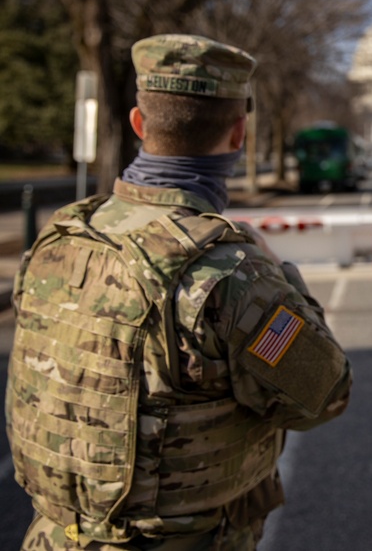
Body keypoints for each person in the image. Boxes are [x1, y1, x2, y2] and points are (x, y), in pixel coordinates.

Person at [6, 34, 352, 550]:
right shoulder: (231, 273)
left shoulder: (62, 236)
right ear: (239, 135)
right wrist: (283, 276)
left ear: (139, 124)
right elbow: (324, 394)